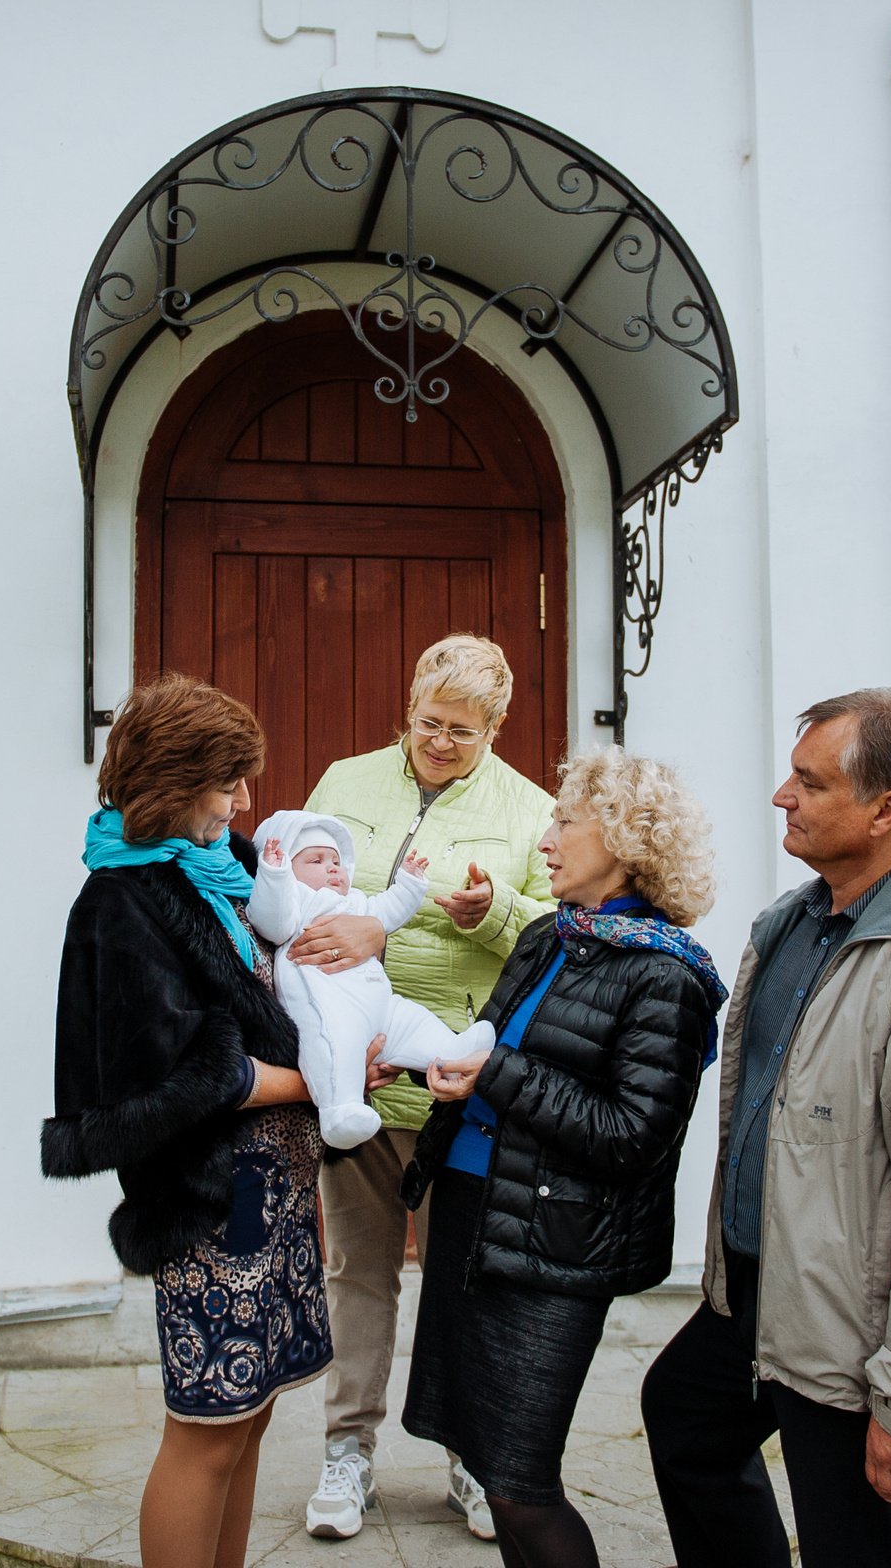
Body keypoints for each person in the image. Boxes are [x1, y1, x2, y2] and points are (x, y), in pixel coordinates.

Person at [639, 688, 891, 1568]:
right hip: (755, 1292)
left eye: (810, 782)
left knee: (865, 1547)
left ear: (887, 811)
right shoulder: (793, 926)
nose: (783, 795)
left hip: (857, 1333)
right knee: (685, 1419)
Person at [398, 747, 724, 1568]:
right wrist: (422, 1066)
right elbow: (496, 1054)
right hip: (477, 1219)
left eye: (565, 820)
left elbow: (631, 1135)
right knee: (489, 1465)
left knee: (520, 1484)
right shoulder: (551, 935)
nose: (546, 838)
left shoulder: (665, 977)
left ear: (622, 838)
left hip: (554, 1252)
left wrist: (496, 1073)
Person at [41, 675, 332, 1568]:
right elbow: (179, 1075)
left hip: (273, 1184)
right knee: (208, 1424)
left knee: (254, 1413)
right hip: (215, 1193)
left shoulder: (221, 869)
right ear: (172, 782)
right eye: (228, 782)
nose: (244, 801)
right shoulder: (119, 903)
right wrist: (316, 1081)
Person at [292, 634, 560, 1541]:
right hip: (354, 1078)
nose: (438, 743)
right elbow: (288, 890)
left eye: (462, 731)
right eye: (426, 723)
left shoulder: (532, 810)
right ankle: (348, 1455)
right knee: (358, 1275)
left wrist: (498, 916)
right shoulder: (344, 781)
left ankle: (472, 1458)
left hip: (461, 1092)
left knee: (467, 1281)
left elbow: (558, 941)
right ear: (407, 706)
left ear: (498, 725)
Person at [244, 811, 498, 1149]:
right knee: (336, 1047)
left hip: (380, 1005)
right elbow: (270, 923)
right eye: (316, 860)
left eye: (335, 860)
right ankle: (340, 1110)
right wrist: (273, 877)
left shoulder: (356, 901)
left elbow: (388, 911)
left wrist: (409, 883)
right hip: (328, 1007)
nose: (332, 867)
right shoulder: (295, 900)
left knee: (412, 1021)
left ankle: (451, 1057)